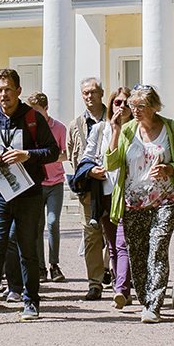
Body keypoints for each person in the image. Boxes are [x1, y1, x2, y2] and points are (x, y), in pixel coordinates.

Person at [0, 68, 59, 325]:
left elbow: (53, 151)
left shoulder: (32, 118)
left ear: (18, 90)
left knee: (27, 249)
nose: (3, 94)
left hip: (28, 193)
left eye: (8, 89)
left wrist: (27, 154)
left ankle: (30, 300)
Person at [105, 84, 174, 323]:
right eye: (132, 106)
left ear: (155, 107)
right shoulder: (126, 131)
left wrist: (170, 169)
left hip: (165, 200)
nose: (134, 110)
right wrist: (114, 131)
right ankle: (146, 300)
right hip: (133, 202)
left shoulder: (171, 129)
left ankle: (154, 305)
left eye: (140, 106)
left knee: (157, 247)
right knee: (137, 254)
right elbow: (111, 164)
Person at [75, 87, 132, 307]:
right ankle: (122, 289)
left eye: (126, 103)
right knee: (112, 242)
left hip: (129, 194)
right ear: (111, 105)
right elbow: (86, 158)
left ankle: (122, 288)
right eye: (118, 102)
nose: (122, 107)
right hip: (106, 193)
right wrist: (91, 171)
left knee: (122, 242)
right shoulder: (100, 129)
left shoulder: (137, 129)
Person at [67, 78, 112, 300]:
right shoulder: (75, 125)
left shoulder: (114, 117)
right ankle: (95, 283)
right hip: (88, 191)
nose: (89, 96)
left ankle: (121, 277)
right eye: (85, 93)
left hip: (114, 187)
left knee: (117, 234)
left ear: (102, 93)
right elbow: (71, 153)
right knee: (92, 236)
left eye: (93, 92)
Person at [26, 92, 68, 283]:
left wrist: (46, 155)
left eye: (37, 111)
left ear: (46, 109)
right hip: (36, 182)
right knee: (37, 225)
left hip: (55, 182)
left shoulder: (59, 127)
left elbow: (66, 154)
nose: (34, 115)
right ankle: (40, 267)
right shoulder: (29, 127)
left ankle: (54, 265)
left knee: (52, 223)